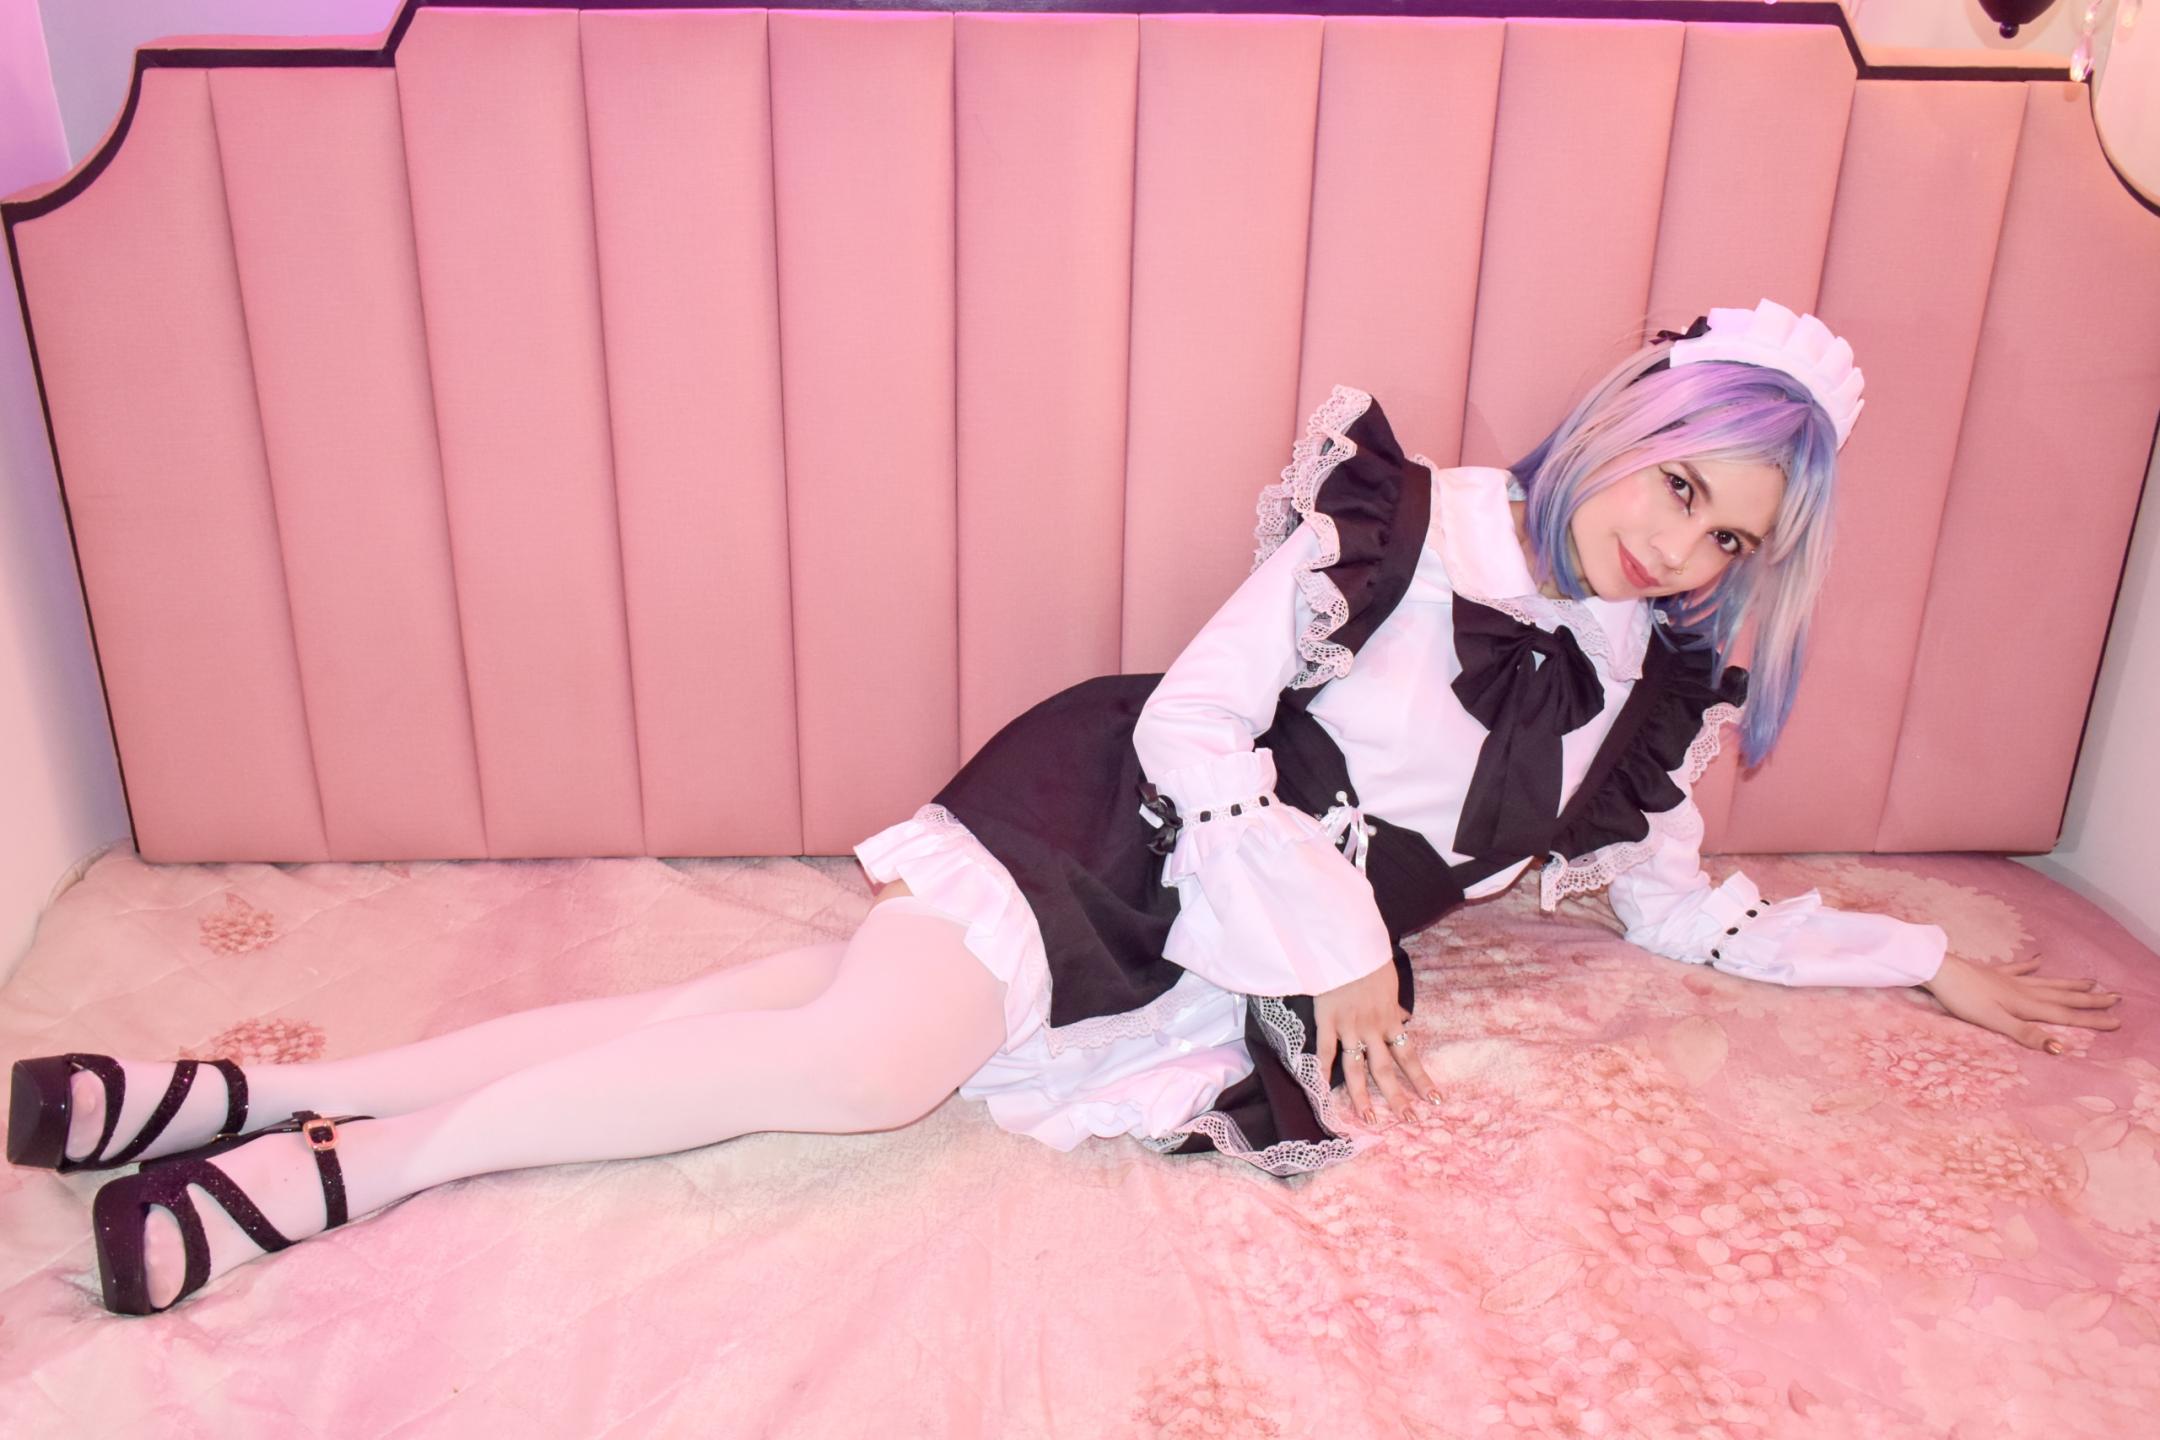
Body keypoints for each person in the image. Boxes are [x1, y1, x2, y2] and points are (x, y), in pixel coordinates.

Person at [7, 299, 2122, 1316]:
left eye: (1732, 538)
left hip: (1202, 958)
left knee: (761, 1031)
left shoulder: (1651, 694)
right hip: (1118, 822)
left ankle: (247, 1095)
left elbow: (1672, 900)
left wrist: (1922, 959)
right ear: (1629, 421)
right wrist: (1346, 940)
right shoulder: (1404, 531)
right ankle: (331, 1184)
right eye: (1680, 487)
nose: (1680, 549)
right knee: (853, 1076)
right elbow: (1200, 732)